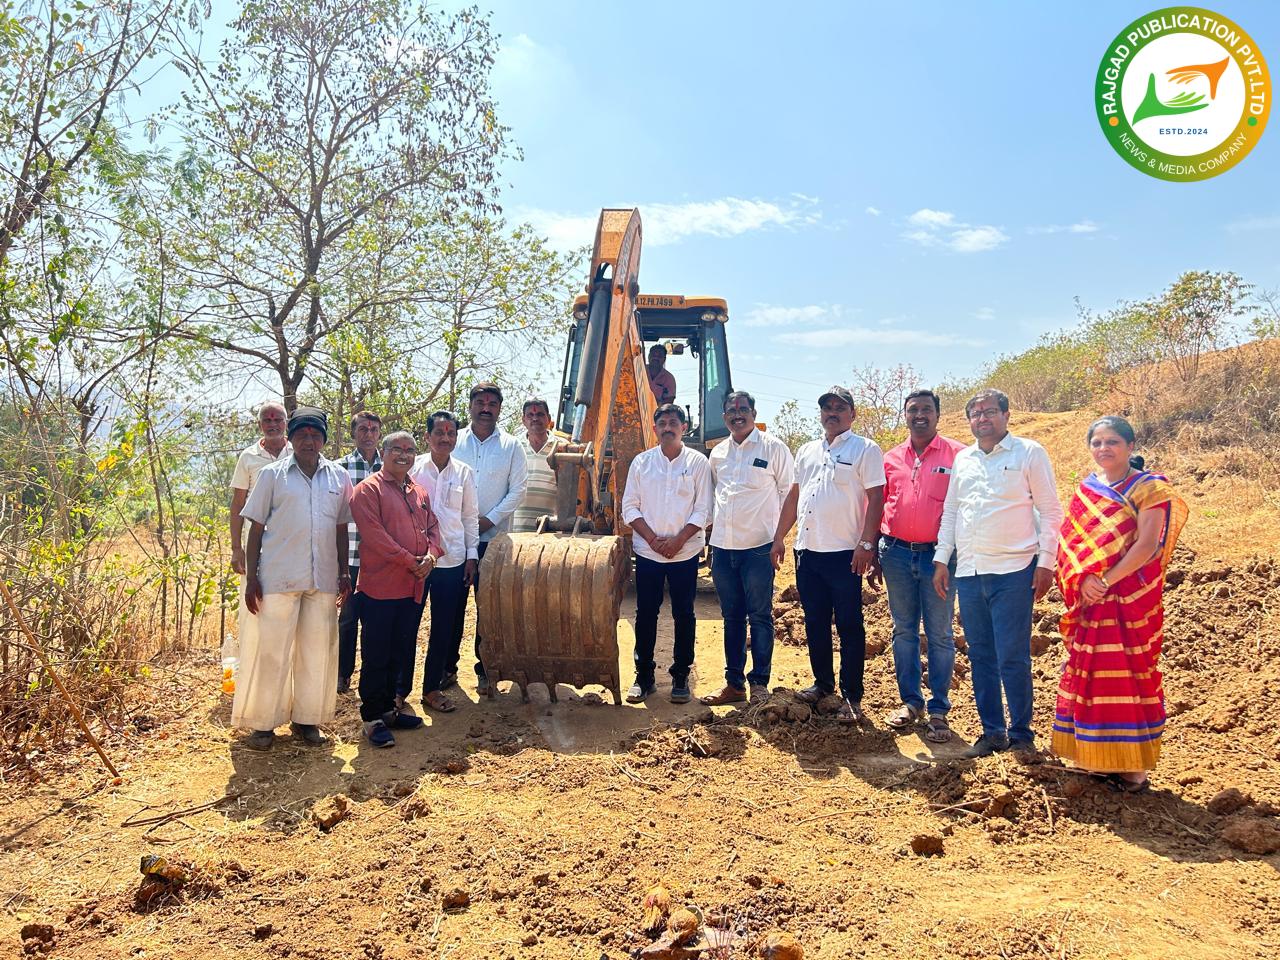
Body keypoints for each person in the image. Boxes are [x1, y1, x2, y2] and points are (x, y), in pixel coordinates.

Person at [1051, 416, 1187, 792]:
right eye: (1097, 443)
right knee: (1091, 674)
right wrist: (1085, 581)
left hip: (1129, 598)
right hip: (1091, 601)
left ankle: (1134, 770)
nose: (1104, 449)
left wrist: (1107, 580)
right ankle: (1097, 759)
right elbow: (1071, 543)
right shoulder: (1088, 490)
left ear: (1129, 446)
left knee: (1126, 673)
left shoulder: (1149, 487)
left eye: (1112, 442)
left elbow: (1147, 546)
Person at [932, 388, 1063, 758]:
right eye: (975, 414)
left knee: (1013, 656)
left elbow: (1051, 511)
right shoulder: (964, 460)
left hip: (1014, 571)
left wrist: (1046, 562)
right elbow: (952, 512)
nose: (982, 419)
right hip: (970, 572)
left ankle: (1021, 733)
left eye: (989, 412)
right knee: (981, 656)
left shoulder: (1029, 453)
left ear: (1006, 415)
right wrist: (943, 559)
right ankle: (992, 732)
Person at [234, 407, 353, 751]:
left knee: (316, 652)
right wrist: (253, 576)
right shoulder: (272, 475)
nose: (309, 441)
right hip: (277, 577)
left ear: (323, 440)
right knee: (273, 652)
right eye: (302, 434)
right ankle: (263, 725)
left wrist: (344, 571)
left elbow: (341, 528)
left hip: (323, 578)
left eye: (316, 435)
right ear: (291, 437)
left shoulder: (338, 477)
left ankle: (306, 721)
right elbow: (255, 529)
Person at [772, 386, 885, 724]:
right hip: (807, 553)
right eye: (827, 407)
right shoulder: (806, 450)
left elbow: (876, 498)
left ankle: (852, 696)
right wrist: (779, 536)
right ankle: (823, 684)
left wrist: (866, 544)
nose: (832, 412)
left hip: (845, 554)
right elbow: (794, 497)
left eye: (840, 407)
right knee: (815, 622)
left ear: (852, 414)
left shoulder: (866, 449)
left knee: (850, 625)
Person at [876, 389, 966, 743]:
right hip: (896, 553)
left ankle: (939, 708)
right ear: (905, 415)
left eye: (926, 409)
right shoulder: (891, 458)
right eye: (913, 409)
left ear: (938, 415)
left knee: (941, 634)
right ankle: (911, 702)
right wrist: (873, 551)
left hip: (939, 558)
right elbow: (880, 505)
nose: (919, 415)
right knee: (903, 630)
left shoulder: (958, 455)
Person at [349, 431, 443, 748]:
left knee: (400, 650)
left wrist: (431, 556)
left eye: (409, 450)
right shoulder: (367, 490)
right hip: (379, 589)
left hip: (412, 585)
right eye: (396, 449)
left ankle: (390, 709)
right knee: (376, 654)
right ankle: (373, 719)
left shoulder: (418, 491)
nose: (403, 455)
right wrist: (409, 560)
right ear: (383, 453)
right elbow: (375, 537)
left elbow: (433, 527)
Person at [701, 391, 794, 706]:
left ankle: (759, 684)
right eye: (731, 409)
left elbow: (789, 494)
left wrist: (779, 537)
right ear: (724, 415)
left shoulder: (773, 448)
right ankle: (734, 684)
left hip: (758, 548)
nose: (737, 414)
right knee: (732, 617)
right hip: (723, 551)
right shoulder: (718, 454)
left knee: (760, 615)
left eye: (743, 409)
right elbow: (714, 496)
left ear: (753, 412)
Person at [620, 403, 713, 704]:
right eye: (662, 422)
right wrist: (652, 538)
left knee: (683, 613)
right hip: (648, 553)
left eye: (674, 422)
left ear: (684, 428)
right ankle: (643, 676)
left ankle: (681, 675)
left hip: (684, 553)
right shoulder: (642, 463)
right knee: (646, 613)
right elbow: (629, 507)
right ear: (655, 428)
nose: (668, 426)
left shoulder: (698, 463)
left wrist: (677, 542)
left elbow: (704, 509)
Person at [453, 382, 527, 693]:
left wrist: (487, 521)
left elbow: (518, 490)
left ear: (499, 409)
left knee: (490, 609)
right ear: (470, 405)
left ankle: (486, 668)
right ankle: (446, 669)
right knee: (451, 608)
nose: (486, 408)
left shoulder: (512, 447)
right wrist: (463, 525)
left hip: (494, 542)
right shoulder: (451, 441)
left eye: (492, 403)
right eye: (480, 402)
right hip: (454, 540)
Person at [408, 411, 479, 712]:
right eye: (439, 432)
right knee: (408, 626)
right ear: (427, 436)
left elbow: (470, 517)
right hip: (415, 562)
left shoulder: (463, 472)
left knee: (443, 628)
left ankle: (431, 689)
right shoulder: (412, 469)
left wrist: (471, 556)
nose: (445, 438)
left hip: (451, 561)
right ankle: (400, 690)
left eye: (451, 433)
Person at [227, 402, 291, 673]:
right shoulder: (248, 457)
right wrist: (236, 549)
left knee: (287, 604)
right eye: (267, 420)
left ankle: (285, 667)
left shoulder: (298, 450)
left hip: (291, 543)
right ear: (260, 425)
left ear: (286, 422)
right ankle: (255, 667)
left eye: (278, 419)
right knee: (256, 603)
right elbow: (237, 505)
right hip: (257, 545)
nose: (273, 423)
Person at [337, 411, 383, 694]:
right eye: (363, 429)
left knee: (375, 620)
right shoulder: (340, 468)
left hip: (379, 560)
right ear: (354, 433)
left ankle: (372, 674)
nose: (368, 434)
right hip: (350, 557)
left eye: (374, 429)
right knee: (347, 619)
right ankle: (343, 675)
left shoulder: (390, 466)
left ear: (379, 433)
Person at [512, 398, 558, 533]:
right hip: (517, 528)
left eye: (540, 414)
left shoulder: (562, 447)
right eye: (530, 415)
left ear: (548, 418)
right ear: (523, 420)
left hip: (551, 530)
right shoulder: (513, 447)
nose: (535, 418)